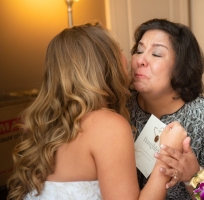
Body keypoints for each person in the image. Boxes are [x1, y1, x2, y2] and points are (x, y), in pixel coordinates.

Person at [6, 22, 188, 200]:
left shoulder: (50, 121)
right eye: (122, 51)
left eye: (156, 54)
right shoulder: (108, 125)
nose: (137, 60)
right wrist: (166, 156)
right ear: (104, 64)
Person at [127, 18, 204, 200]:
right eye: (139, 51)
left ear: (181, 66)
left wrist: (194, 176)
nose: (141, 60)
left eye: (156, 54)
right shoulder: (121, 109)